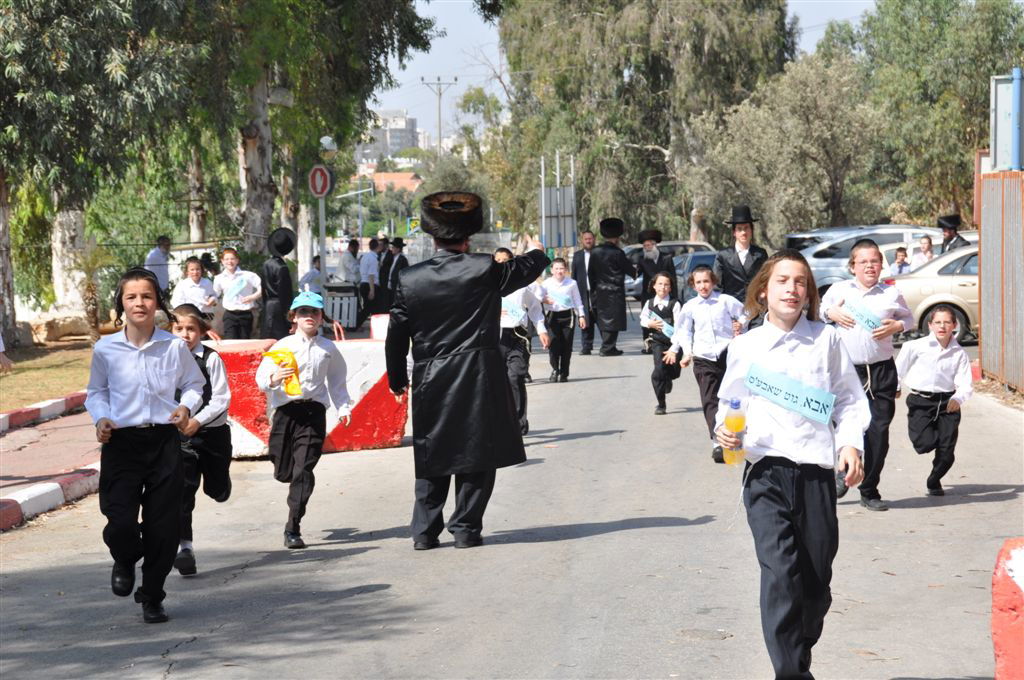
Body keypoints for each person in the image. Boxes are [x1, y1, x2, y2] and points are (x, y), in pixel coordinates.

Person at [714, 249, 869, 679]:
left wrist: (850, 445)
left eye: (800, 281)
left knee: (815, 587)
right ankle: (790, 673)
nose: (792, 288)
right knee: (781, 575)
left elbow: (851, 401)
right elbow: (730, 402)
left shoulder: (827, 340)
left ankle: (796, 658)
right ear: (764, 290)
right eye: (783, 280)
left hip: (817, 477)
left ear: (809, 293)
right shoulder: (746, 346)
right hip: (766, 475)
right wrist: (724, 431)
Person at [385, 191, 549, 550]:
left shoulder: (410, 278)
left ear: (432, 237)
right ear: (467, 237)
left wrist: (397, 377)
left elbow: (397, 332)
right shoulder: (485, 268)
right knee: (478, 451)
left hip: (430, 375)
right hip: (479, 372)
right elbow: (527, 268)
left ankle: (425, 532)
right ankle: (465, 528)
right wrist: (538, 250)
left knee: (432, 452)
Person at [85, 267, 205, 624]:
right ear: (121, 303)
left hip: (164, 443)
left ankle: (152, 596)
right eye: (132, 297)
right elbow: (97, 392)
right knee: (119, 518)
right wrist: (101, 418)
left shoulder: (173, 346)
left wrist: (186, 407)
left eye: (147, 296)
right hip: (121, 442)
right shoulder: (106, 348)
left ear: (158, 303)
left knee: (163, 528)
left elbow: (195, 384)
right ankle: (125, 557)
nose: (140, 303)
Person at [821, 238, 914, 511]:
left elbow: (909, 319)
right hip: (846, 371)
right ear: (853, 266)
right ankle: (842, 473)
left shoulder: (890, 294)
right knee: (844, 426)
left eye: (875, 261)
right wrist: (831, 312)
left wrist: (896, 325)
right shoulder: (838, 290)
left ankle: (869, 488)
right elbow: (817, 312)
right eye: (863, 262)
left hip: (882, 370)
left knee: (878, 431)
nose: (870, 266)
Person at [255, 291, 352, 549]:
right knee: (283, 468)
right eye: (303, 312)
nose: (309, 316)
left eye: (314, 312)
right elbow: (261, 378)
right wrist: (274, 379)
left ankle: (293, 527)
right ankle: (287, 474)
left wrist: (343, 408)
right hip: (286, 413)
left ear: (321, 318)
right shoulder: (283, 346)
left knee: (303, 470)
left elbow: (337, 381)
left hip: (313, 414)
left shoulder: (328, 349)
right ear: (294, 317)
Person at [169, 304, 233, 577]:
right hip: (183, 438)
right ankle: (185, 548)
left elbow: (221, 398)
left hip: (213, 434)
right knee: (182, 493)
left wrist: (198, 420)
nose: (185, 334)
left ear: (202, 332)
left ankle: (220, 484)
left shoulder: (211, 359)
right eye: (179, 328)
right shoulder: (167, 358)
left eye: (191, 329)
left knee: (215, 490)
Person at [665, 265, 745, 461]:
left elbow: (746, 313)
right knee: (710, 400)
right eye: (698, 282)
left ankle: (737, 436)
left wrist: (740, 324)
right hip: (703, 358)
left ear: (713, 282)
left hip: (727, 353)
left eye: (706, 281)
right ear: (693, 285)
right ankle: (718, 442)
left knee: (732, 397)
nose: (703, 286)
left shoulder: (725, 301)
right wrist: (681, 351)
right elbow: (683, 331)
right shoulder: (690, 306)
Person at [895, 305, 973, 496]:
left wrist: (958, 398)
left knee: (947, 452)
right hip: (921, 401)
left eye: (947, 322)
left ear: (954, 325)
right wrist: (896, 387)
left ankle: (934, 479)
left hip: (948, 403)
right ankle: (937, 441)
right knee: (924, 443)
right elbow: (898, 369)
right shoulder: (914, 346)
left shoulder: (959, 353)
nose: (942, 326)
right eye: (937, 322)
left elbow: (965, 383)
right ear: (930, 325)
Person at [495, 247, 549, 433]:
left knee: (515, 376)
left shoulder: (522, 286)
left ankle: (519, 423)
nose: (502, 263)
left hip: (518, 336)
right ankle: (500, 421)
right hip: (495, 338)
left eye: (505, 260)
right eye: (498, 260)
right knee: (497, 381)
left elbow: (534, 307)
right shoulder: (487, 286)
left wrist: (541, 330)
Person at [638, 272, 683, 415]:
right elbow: (642, 319)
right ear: (654, 286)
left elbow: (680, 328)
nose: (663, 287)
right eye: (660, 284)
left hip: (674, 344)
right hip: (658, 342)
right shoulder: (649, 303)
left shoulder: (675, 304)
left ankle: (669, 378)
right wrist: (649, 323)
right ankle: (661, 404)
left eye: (666, 284)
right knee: (658, 372)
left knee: (674, 372)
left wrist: (675, 348)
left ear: (670, 287)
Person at [588, 217, 632, 356]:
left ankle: (608, 346)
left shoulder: (594, 252)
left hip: (599, 291)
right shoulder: (618, 253)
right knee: (614, 320)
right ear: (618, 236)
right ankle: (607, 347)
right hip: (615, 291)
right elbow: (629, 270)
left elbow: (591, 273)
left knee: (603, 318)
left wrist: (594, 289)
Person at [631, 229, 676, 353]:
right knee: (647, 320)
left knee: (668, 319)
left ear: (655, 245)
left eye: (649, 245)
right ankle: (648, 344)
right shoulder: (642, 259)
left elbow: (673, 278)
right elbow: (635, 274)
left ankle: (668, 343)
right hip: (648, 295)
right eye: (645, 246)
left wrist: (675, 296)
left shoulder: (666, 258)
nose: (647, 248)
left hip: (666, 294)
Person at [541, 257, 585, 382]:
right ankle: (555, 369)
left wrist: (581, 315)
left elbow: (577, 300)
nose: (559, 271)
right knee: (553, 344)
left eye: (562, 268)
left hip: (568, 316)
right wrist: (544, 300)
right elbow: (537, 297)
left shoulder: (571, 283)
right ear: (552, 270)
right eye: (557, 268)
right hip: (552, 316)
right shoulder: (546, 284)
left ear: (565, 270)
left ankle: (564, 372)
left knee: (566, 345)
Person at [712, 205, 768, 304]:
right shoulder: (723, 256)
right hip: (730, 309)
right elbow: (717, 286)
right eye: (739, 229)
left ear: (751, 230)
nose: (743, 232)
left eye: (746, 228)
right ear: (734, 232)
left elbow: (766, 280)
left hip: (756, 307)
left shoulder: (760, 254)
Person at [213, 247, 262, 339]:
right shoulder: (219, 278)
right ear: (222, 261)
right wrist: (211, 299)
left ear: (237, 260)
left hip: (245, 314)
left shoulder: (248, 275)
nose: (230, 262)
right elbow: (215, 294)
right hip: (229, 315)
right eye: (226, 259)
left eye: (232, 259)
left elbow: (262, 287)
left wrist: (253, 297)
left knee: (244, 342)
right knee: (230, 342)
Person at [261, 228, 296, 340]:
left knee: (268, 339)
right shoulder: (282, 267)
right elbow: (285, 294)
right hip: (279, 308)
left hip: (268, 305)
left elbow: (263, 290)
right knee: (281, 341)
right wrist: (289, 315)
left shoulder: (266, 264)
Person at [571, 230, 596, 354]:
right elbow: (574, 275)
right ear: (582, 240)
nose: (588, 241)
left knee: (600, 318)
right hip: (582, 292)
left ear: (594, 239)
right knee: (585, 319)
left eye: (590, 238)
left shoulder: (599, 253)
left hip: (597, 293)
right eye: (586, 239)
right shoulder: (577, 255)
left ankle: (607, 345)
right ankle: (586, 346)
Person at [357, 238, 380, 327]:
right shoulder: (373, 259)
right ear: (377, 247)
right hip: (369, 285)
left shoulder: (365, 256)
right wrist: (372, 290)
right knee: (369, 308)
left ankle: (357, 325)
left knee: (369, 307)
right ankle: (356, 325)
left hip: (363, 283)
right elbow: (371, 275)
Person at [384, 237, 409, 308]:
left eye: (393, 247)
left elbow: (404, 274)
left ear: (398, 249)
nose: (392, 249)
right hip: (391, 286)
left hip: (396, 287)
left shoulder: (402, 260)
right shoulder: (393, 258)